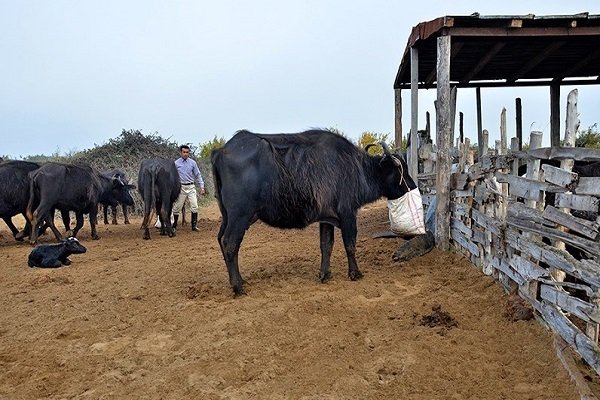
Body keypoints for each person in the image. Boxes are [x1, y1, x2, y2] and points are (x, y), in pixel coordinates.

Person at [173, 144, 205, 232]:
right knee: (177, 208)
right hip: (181, 187)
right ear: (180, 152)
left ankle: (194, 226)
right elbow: (173, 176)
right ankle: (174, 226)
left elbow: (198, 175)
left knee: (194, 206)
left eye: (187, 152)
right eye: (184, 152)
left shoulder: (192, 163)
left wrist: (202, 186)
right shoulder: (176, 163)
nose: (185, 154)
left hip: (191, 187)